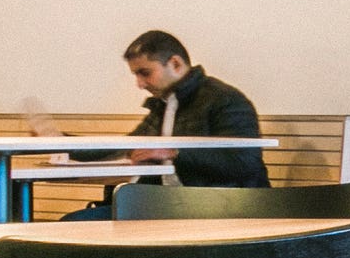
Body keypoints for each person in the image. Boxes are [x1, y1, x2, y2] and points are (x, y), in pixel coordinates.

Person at [113, 32, 269, 189]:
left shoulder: (226, 99)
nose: (140, 84)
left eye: (145, 73)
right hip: (173, 202)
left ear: (176, 64)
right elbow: (129, 144)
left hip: (226, 205)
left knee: (101, 213)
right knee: (101, 210)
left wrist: (174, 153)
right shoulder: (164, 104)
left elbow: (244, 162)